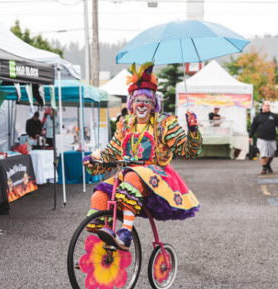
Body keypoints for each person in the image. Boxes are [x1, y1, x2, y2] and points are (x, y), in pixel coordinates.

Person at [82, 62, 202, 250]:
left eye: (147, 100)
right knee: (100, 194)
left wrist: (193, 130)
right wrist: (96, 159)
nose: (142, 105)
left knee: (131, 177)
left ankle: (125, 234)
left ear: (154, 103)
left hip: (155, 176)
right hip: (129, 173)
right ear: (131, 103)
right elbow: (113, 152)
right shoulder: (125, 125)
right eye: (137, 100)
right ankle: (101, 246)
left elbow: (189, 151)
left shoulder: (164, 124)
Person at [249, 100, 278, 174]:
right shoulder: (258, 117)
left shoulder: (274, 116)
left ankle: (268, 164)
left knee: (271, 154)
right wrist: (250, 136)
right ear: (262, 106)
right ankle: (264, 168)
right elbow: (253, 127)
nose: (268, 107)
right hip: (261, 138)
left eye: (269, 106)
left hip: (272, 138)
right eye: (266, 106)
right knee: (263, 154)